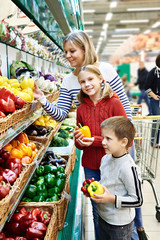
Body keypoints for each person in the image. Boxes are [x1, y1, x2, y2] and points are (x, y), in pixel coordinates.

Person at [33, 30, 147, 240]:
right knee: (99, 207)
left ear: (85, 49)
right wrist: (43, 101)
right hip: (94, 158)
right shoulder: (68, 82)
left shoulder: (106, 70)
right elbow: (61, 115)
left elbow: (123, 111)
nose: (67, 55)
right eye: (65, 51)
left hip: (117, 151)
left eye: (72, 51)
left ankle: (138, 231)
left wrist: (124, 143)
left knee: (126, 200)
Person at [74, 65, 127, 240]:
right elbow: (81, 144)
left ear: (100, 79)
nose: (87, 84)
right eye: (82, 81)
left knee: (116, 210)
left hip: (113, 166)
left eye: (90, 79)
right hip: (91, 168)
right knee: (97, 211)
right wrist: (79, 141)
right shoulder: (81, 109)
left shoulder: (114, 103)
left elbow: (125, 137)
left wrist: (94, 141)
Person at [92, 116, 143, 240]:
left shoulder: (128, 168)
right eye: (103, 137)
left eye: (108, 138)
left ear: (123, 142)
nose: (103, 142)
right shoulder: (105, 159)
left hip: (120, 225)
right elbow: (108, 183)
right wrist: (95, 186)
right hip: (103, 217)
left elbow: (138, 200)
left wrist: (111, 198)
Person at [145, 54, 160, 147]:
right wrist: (154, 96)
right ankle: (153, 142)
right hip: (155, 99)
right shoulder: (153, 72)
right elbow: (147, 87)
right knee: (157, 120)